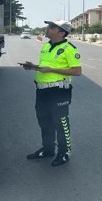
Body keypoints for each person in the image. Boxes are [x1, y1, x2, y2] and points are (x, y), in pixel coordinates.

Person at [22, 19, 82, 167]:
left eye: (52, 27)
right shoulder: (46, 46)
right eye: (49, 26)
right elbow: (45, 67)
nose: (48, 29)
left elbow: (77, 71)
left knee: (61, 123)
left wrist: (51, 70)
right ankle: (48, 149)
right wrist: (33, 67)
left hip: (59, 91)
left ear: (62, 33)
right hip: (42, 91)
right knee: (44, 121)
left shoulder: (69, 49)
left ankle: (64, 153)